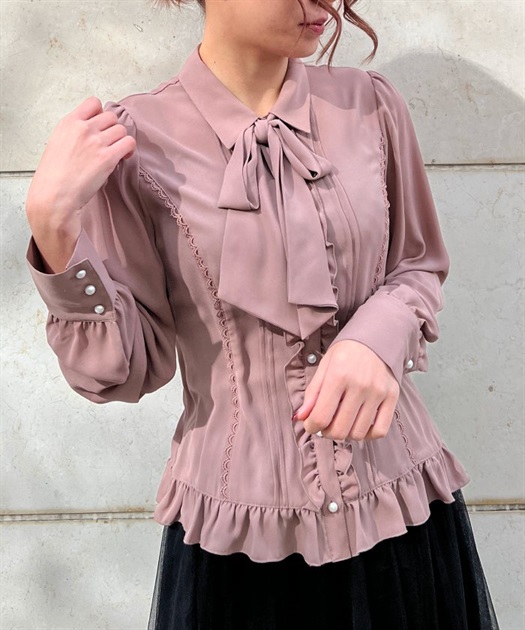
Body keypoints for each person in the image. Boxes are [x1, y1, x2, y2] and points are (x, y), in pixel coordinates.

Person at [25, 0, 500, 628]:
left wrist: (377, 339)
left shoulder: (370, 104)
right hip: (239, 548)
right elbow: (125, 369)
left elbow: (417, 263)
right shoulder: (131, 145)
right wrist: (54, 230)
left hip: (400, 515)